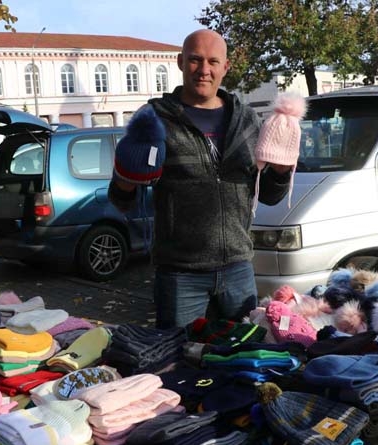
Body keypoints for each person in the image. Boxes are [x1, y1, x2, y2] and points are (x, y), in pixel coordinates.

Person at [109, 29, 294, 329]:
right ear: (180, 62)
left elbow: (270, 195)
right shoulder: (153, 118)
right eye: (195, 60)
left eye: (213, 61)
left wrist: (282, 171)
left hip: (238, 269)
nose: (204, 69)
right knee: (180, 353)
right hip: (180, 275)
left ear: (225, 67)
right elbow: (122, 201)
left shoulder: (247, 120)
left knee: (243, 351)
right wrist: (126, 176)